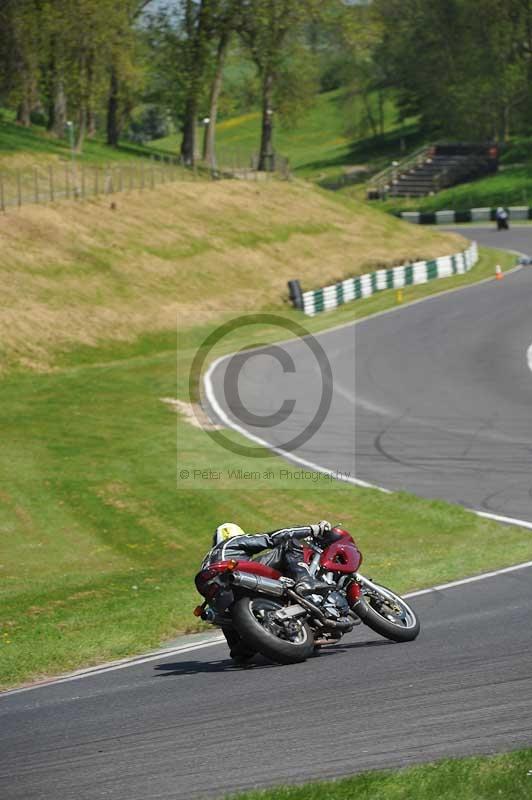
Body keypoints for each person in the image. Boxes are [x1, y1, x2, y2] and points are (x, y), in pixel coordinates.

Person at [203, 520, 332, 662]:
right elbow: (272, 538)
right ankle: (304, 580)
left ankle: (239, 649)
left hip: (218, 591)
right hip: (236, 574)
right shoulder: (233, 541)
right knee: (289, 544)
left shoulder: (207, 561)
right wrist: (312, 529)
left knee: (224, 611)